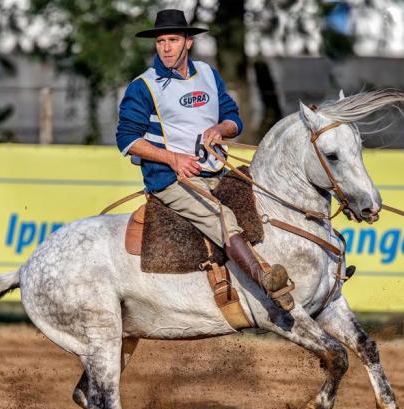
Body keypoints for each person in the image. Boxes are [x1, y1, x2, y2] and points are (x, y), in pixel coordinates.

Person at [115, 9, 294, 311]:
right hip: (171, 179)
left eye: (173, 40)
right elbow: (127, 139)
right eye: (161, 41)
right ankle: (265, 281)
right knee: (222, 217)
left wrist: (221, 128)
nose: (166, 47)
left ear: (188, 42)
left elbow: (233, 118)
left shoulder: (209, 74)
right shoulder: (143, 86)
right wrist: (172, 159)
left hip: (216, 171)